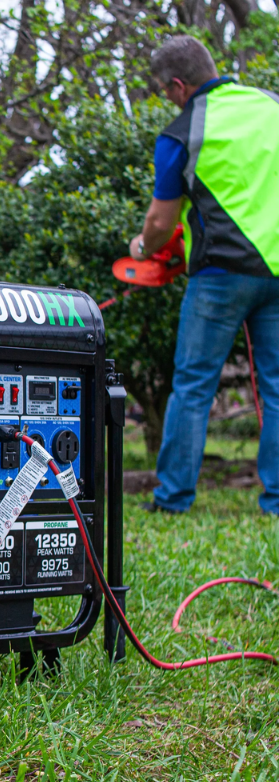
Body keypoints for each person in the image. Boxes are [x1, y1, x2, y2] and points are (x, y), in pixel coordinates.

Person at [130, 35, 279, 515]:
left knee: (193, 386)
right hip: (277, 269)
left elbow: (159, 224)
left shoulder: (181, 132)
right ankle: (276, 501)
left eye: (164, 90)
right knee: (276, 388)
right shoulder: (271, 105)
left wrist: (142, 248)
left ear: (178, 85)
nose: (166, 99)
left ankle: (172, 499)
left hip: (220, 275)